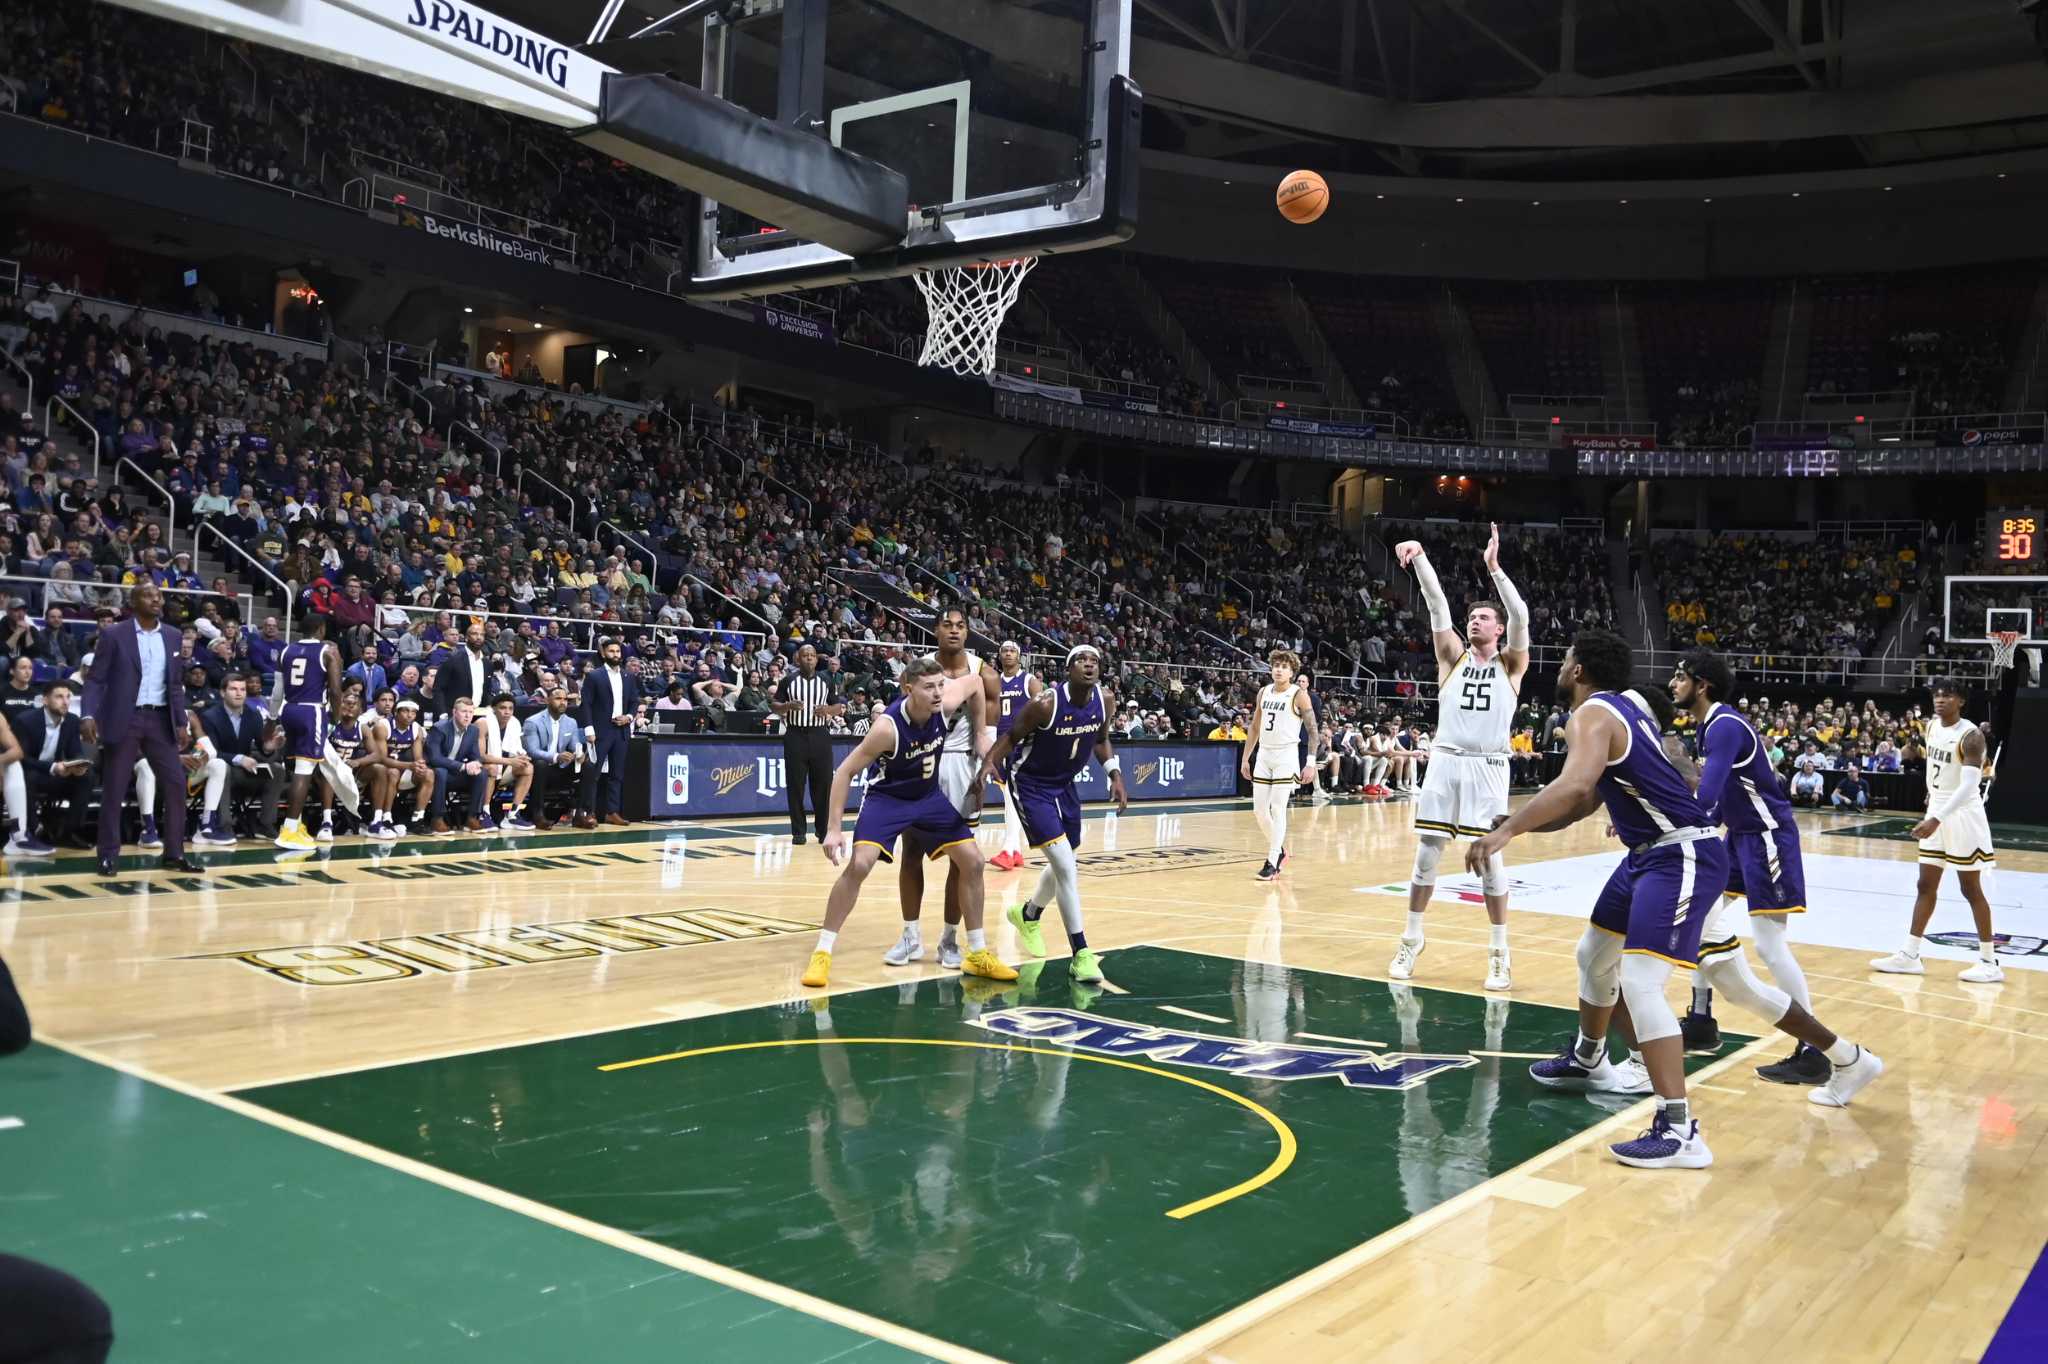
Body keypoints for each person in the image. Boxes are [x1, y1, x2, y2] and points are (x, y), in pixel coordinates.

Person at [1463, 629, 1727, 1169]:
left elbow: (1575, 784)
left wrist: (1506, 832)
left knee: (1642, 982)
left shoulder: (1589, 716)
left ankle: (1679, 1131)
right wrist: (1524, 826)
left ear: (1579, 670)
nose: (1559, 670)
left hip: (1681, 853)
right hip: (1648, 855)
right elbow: (1586, 800)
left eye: (1564, 661)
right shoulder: (1625, 708)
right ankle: (1590, 1059)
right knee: (1594, 954)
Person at [1671, 651, 1884, 1096]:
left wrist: (1670, 824)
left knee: (1768, 944)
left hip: (1767, 837)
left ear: (1702, 684)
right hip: (1739, 836)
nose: (1673, 683)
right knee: (1700, 920)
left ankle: (1813, 1050)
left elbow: (1707, 798)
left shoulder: (1724, 725)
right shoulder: (1711, 724)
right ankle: (1700, 1019)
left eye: (1680, 676)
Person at [804, 657, 1014, 989]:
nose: (937, 693)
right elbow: (844, 772)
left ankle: (976, 954)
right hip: (888, 800)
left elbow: (975, 682)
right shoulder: (887, 727)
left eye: (941, 685)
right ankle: (822, 952)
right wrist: (832, 828)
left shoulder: (943, 704)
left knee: (973, 861)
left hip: (929, 799)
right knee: (859, 864)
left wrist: (982, 733)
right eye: (928, 687)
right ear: (908, 689)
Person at [1388, 526, 1528, 992]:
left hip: (1489, 767)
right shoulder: (1451, 657)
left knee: (1489, 861)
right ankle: (1411, 939)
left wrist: (1494, 570)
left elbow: (1522, 614)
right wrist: (1422, 557)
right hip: (1446, 762)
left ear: (1499, 628)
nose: (1475, 621)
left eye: (1484, 617)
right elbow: (1435, 607)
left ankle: (1500, 952)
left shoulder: (1512, 665)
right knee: (1426, 857)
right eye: (1472, 617)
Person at [979, 644, 1128, 984]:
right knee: (1065, 864)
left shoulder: (1104, 701)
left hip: (1064, 783)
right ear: (1067, 669)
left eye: (1094, 661)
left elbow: (1101, 739)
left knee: (1064, 859)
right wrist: (989, 764)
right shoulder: (1045, 704)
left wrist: (1115, 774)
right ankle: (1081, 953)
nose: (1089, 665)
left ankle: (1028, 914)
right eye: (1081, 660)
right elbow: (1011, 736)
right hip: (1030, 783)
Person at [1871, 677, 2004, 984]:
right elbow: (1938, 769)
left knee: (1970, 889)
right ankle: (1910, 955)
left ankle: (1989, 961)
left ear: (1961, 701)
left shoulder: (1970, 736)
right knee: (1924, 885)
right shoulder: (1931, 727)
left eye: (1948, 695)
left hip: (1963, 815)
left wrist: (1937, 817)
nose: (1940, 699)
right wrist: (1932, 795)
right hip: (1939, 809)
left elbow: (1970, 784)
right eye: (1937, 695)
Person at [882, 607, 995, 969]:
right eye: (947, 624)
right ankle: (910, 936)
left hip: (962, 764)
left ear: (968, 632)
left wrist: (985, 761)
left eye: (961, 626)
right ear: (935, 630)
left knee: (961, 862)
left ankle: (949, 939)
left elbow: (986, 728)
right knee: (911, 850)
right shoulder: (919, 669)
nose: (954, 631)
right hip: (924, 760)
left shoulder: (983, 673)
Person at [80, 584, 204, 877]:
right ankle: (108, 856)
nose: (157, 600)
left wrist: (181, 722)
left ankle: (174, 853)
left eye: (159, 596)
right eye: (149, 596)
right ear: (134, 602)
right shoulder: (114, 635)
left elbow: (174, 684)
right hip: (125, 718)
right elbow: (96, 680)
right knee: (115, 788)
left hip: (161, 720)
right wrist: (87, 714)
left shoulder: (173, 636)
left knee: (175, 784)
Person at [1240, 648, 1318, 881]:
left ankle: (1272, 860)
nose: (1278, 670)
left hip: (1286, 755)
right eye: (1276, 665)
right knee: (1259, 811)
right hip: (1264, 754)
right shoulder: (1263, 692)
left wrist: (1310, 762)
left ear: (1292, 672)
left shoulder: (1298, 694)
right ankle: (1281, 849)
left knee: (1277, 807)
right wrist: (1246, 758)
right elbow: (1254, 727)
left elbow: (1313, 730)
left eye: (1284, 667)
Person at [268, 614, 343, 851]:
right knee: (305, 770)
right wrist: (336, 717)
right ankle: (289, 830)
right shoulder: (327, 652)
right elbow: (335, 690)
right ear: (321, 629)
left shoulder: (286, 651)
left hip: (288, 709)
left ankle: (296, 823)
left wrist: (270, 719)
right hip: (312, 711)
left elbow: (277, 691)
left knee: (297, 767)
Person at [194, 673, 286, 844]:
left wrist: (269, 747)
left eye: (242, 689)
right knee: (222, 768)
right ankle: (223, 825)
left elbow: (263, 747)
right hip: (219, 770)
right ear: (222, 693)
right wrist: (239, 758)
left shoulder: (254, 715)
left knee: (278, 770)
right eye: (233, 689)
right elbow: (211, 753)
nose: (239, 693)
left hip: (245, 770)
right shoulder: (209, 716)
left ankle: (265, 824)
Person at [772, 643, 841, 845]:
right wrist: (786, 706)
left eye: (812, 655)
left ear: (816, 659)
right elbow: (774, 705)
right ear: (797, 659)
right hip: (795, 736)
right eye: (805, 655)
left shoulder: (826, 680)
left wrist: (827, 710)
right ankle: (798, 832)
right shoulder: (788, 681)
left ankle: (822, 830)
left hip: (820, 735)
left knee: (823, 785)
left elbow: (838, 706)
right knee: (795, 786)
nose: (809, 658)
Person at [14, 680, 88, 852]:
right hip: (31, 772)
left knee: (86, 777)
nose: (65, 701)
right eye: (59, 697)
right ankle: (33, 831)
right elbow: (21, 758)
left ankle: (70, 832)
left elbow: (75, 752)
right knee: (27, 776)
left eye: (68, 697)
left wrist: (77, 765)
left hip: (56, 774)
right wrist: (53, 767)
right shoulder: (25, 721)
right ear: (45, 700)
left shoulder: (71, 720)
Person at [987, 640, 1040, 870]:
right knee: (1008, 796)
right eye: (1004, 651)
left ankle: (1008, 850)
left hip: (1022, 744)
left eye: (1012, 651)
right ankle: (1015, 849)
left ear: (1019, 656)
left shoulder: (1029, 680)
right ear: (999, 656)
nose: (1008, 654)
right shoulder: (994, 682)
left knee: (1011, 794)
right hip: (1000, 744)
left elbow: (1044, 708)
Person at [576, 635, 640, 827]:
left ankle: (612, 812)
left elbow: (635, 701)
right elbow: (585, 704)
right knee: (593, 773)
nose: (615, 654)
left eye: (618, 651)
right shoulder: (594, 675)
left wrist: (628, 717)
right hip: (600, 730)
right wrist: (589, 729)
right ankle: (589, 811)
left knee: (617, 774)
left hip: (621, 731)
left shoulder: (628, 676)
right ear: (603, 653)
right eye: (611, 651)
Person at [369, 696, 435, 836]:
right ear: (396, 712)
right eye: (405, 711)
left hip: (403, 769)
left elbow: (418, 757)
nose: (410, 715)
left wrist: (420, 765)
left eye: (413, 712)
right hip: (380, 772)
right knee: (393, 772)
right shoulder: (383, 726)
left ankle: (417, 819)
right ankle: (386, 818)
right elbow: (381, 759)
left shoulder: (416, 729)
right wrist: (409, 765)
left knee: (428, 774)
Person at [520, 686, 584, 828]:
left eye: (565, 699)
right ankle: (538, 815)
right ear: (547, 700)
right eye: (558, 698)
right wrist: (556, 756)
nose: (563, 702)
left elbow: (575, 745)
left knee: (589, 765)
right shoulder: (533, 721)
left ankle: (581, 814)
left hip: (560, 768)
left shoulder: (571, 722)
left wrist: (579, 755)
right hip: (540, 769)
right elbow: (532, 751)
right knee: (541, 764)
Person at [427, 695, 489, 833]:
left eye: (471, 712)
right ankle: (437, 818)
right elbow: (434, 758)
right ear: (454, 712)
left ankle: (472, 817)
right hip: (437, 773)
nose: (468, 716)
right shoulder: (439, 728)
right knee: (440, 771)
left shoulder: (473, 730)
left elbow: (476, 756)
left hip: (456, 773)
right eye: (464, 712)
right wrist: (463, 766)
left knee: (482, 773)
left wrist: (476, 764)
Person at [478, 693, 535, 831]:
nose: (507, 712)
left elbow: (517, 749)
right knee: (492, 767)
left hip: (503, 768)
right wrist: (509, 761)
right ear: (493, 709)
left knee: (528, 767)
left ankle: (513, 814)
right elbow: (480, 756)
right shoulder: (482, 723)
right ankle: (484, 813)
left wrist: (522, 757)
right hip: (479, 770)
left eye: (510, 708)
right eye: (503, 708)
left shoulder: (514, 723)